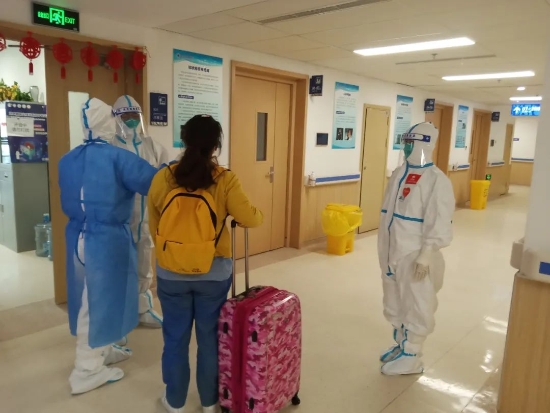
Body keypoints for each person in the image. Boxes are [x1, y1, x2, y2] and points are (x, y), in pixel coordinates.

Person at [148, 115, 263, 413]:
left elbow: (155, 225)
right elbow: (250, 218)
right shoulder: (225, 179)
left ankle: (174, 402)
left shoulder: (163, 177)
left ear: (184, 140)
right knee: (210, 339)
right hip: (213, 273)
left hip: (171, 273)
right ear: (216, 145)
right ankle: (209, 401)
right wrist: (255, 213)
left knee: (175, 338)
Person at [59, 98, 157, 394]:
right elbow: (154, 182)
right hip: (106, 241)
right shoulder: (118, 158)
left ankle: (102, 347)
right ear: (109, 123)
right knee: (98, 302)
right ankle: (86, 370)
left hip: (77, 236)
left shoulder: (68, 159)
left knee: (94, 298)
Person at [377, 122, 455, 376]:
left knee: (417, 301)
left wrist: (426, 254)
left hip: (414, 253)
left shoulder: (436, 180)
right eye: (406, 142)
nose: (407, 147)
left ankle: (412, 354)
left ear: (425, 144)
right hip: (391, 249)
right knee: (394, 298)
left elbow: (439, 221)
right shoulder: (399, 173)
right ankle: (402, 344)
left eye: (412, 143)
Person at [112, 95, 169, 329]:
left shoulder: (152, 145)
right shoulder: (111, 146)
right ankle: (120, 314)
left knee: (145, 266)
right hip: (120, 220)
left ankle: (143, 309)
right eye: (126, 115)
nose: (131, 120)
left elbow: (166, 176)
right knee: (119, 267)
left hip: (147, 219)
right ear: (116, 118)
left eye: (135, 115)